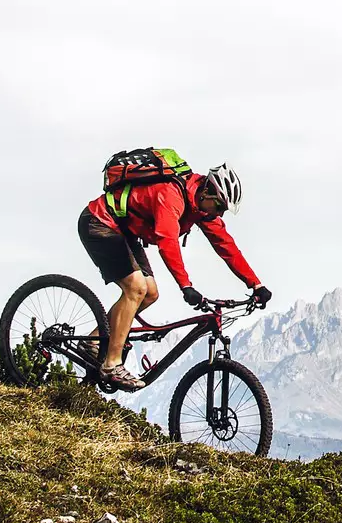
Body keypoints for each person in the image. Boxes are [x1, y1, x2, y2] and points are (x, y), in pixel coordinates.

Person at [76, 160, 271, 391]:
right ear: (207, 192)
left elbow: (226, 246)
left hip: (125, 231)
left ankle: (95, 340)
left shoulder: (201, 209)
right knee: (136, 288)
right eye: (219, 207)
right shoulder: (171, 195)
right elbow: (167, 242)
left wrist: (256, 284)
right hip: (100, 222)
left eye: (223, 210)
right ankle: (112, 364)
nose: (219, 214)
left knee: (150, 294)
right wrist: (185, 286)